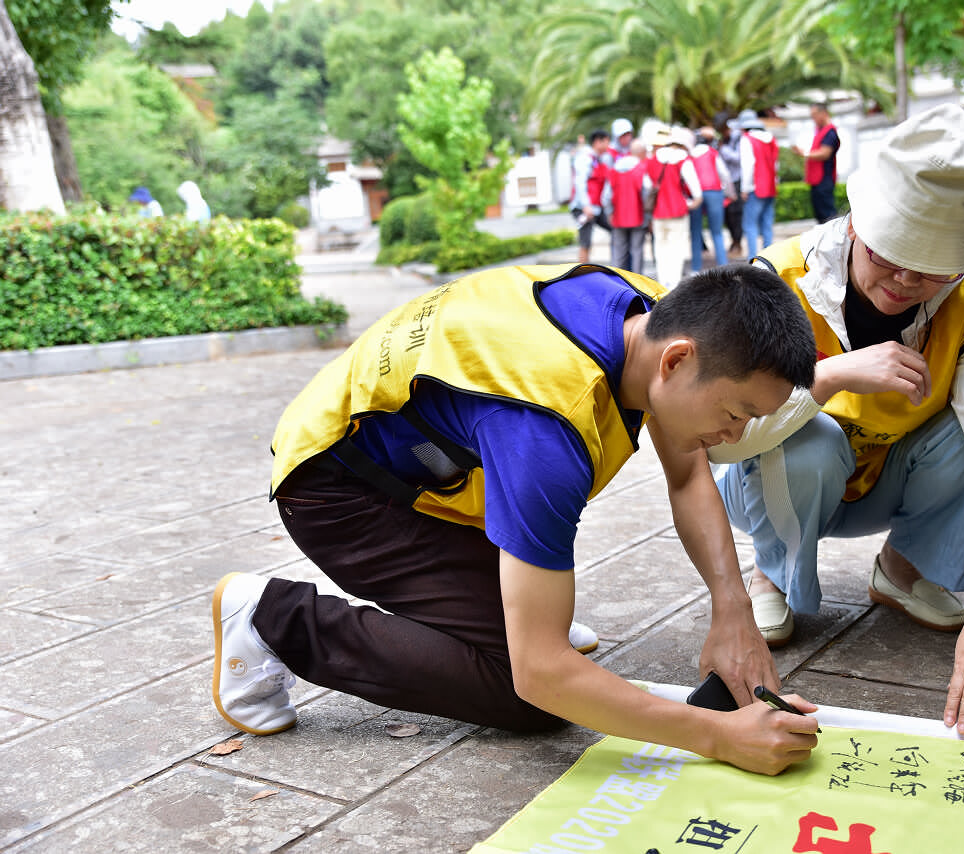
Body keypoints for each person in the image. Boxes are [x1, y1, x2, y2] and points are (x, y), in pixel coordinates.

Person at [211, 261, 822, 775]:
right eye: (735, 413)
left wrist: (733, 610)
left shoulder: (652, 314)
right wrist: (718, 737)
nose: (734, 436)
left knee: (544, 641)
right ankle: (272, 620)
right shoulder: (545, 428)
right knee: (526, 694)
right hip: (336, 489)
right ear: (677, 361)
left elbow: (687, 473)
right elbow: (541, 677)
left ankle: (500, 609)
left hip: (419, 457)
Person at [709, 104, 964, 737]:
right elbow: (719, 442)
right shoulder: (775, 281)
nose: (907, 279)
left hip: (886, 480)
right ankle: (771, 573)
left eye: (932, 265)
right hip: (772, 478)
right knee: (809, 439)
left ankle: (903, 569)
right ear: (857, 223)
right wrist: (828, 376)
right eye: (891, 254)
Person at [648, 127, 702, 289]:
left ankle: (663, 283)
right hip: (678, 210)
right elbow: (696, 190)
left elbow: (647, 184)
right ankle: (673, 284)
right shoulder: (683, 159)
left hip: (658, 211)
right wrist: (693, 202)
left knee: (660, 248)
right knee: (676, 248)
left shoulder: (654, 158)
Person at [689, 126, 736, 270]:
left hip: (695, 193)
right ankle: (723, 265)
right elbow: (724, 174)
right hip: (714, 191)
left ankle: (696, 268)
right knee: (716, 232)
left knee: (695, 232)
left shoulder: (690, 155)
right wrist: (731, 193)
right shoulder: (712, 153)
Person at [737, 110, 778, 258]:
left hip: (755, 188)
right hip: (770, 187)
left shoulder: (747, 139)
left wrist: (744, 188)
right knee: (767, 225)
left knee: (750, 226)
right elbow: (775, 164)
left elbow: (748, 165)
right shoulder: (771, 138)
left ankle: (752, 260)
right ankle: (769, 260)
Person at [608, 139, 652, 274]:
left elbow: (606, 195)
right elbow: (647, 193)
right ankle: (636, 281)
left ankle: (618, 280)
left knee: (619, 252)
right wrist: (648, 216)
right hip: (638, 216)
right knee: (637, 250)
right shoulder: (641, 169)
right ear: (642, 152)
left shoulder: (615, 168)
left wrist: (610, 212)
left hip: (618, 217)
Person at [794, 102, 841, 224]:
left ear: (823, 113)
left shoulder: (830, 132)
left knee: (827, 214)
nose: (813, 118)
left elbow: (825, 153)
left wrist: (805, 153)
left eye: (814, 115)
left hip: (824, 179)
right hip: (817, 180)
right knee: (820, 213)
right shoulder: (820, 131)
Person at [571, 130, 612, 264]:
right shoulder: (585, 158)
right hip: (584, 208)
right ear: (597, 142)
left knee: (615, 229)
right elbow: (580, 183)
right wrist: (586, 205)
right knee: (585, 242)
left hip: (597, 207)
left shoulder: (601, 159)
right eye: (606, 142)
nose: (608, 146)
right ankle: (582, 272)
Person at [714, 111, 745, 258]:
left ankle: (737, 242)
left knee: (735, 213)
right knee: (727, 214)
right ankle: (734, 240)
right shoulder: (722, 139)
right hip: (724, 182)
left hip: (736, 179)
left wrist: (723, 150)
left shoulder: (738, 137)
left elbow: (739, 158)